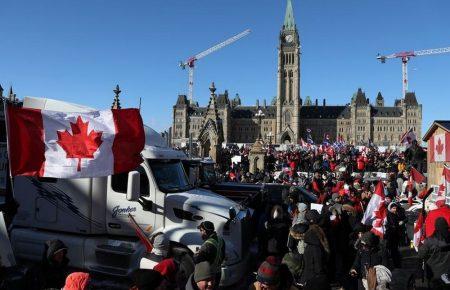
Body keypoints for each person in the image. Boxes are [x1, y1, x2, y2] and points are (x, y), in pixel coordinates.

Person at [418, 217, 450, 289]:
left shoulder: (429, 241)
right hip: (447, 272)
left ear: (435, 227)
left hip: (434, 274)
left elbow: (421, 255)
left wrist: (420, 245)